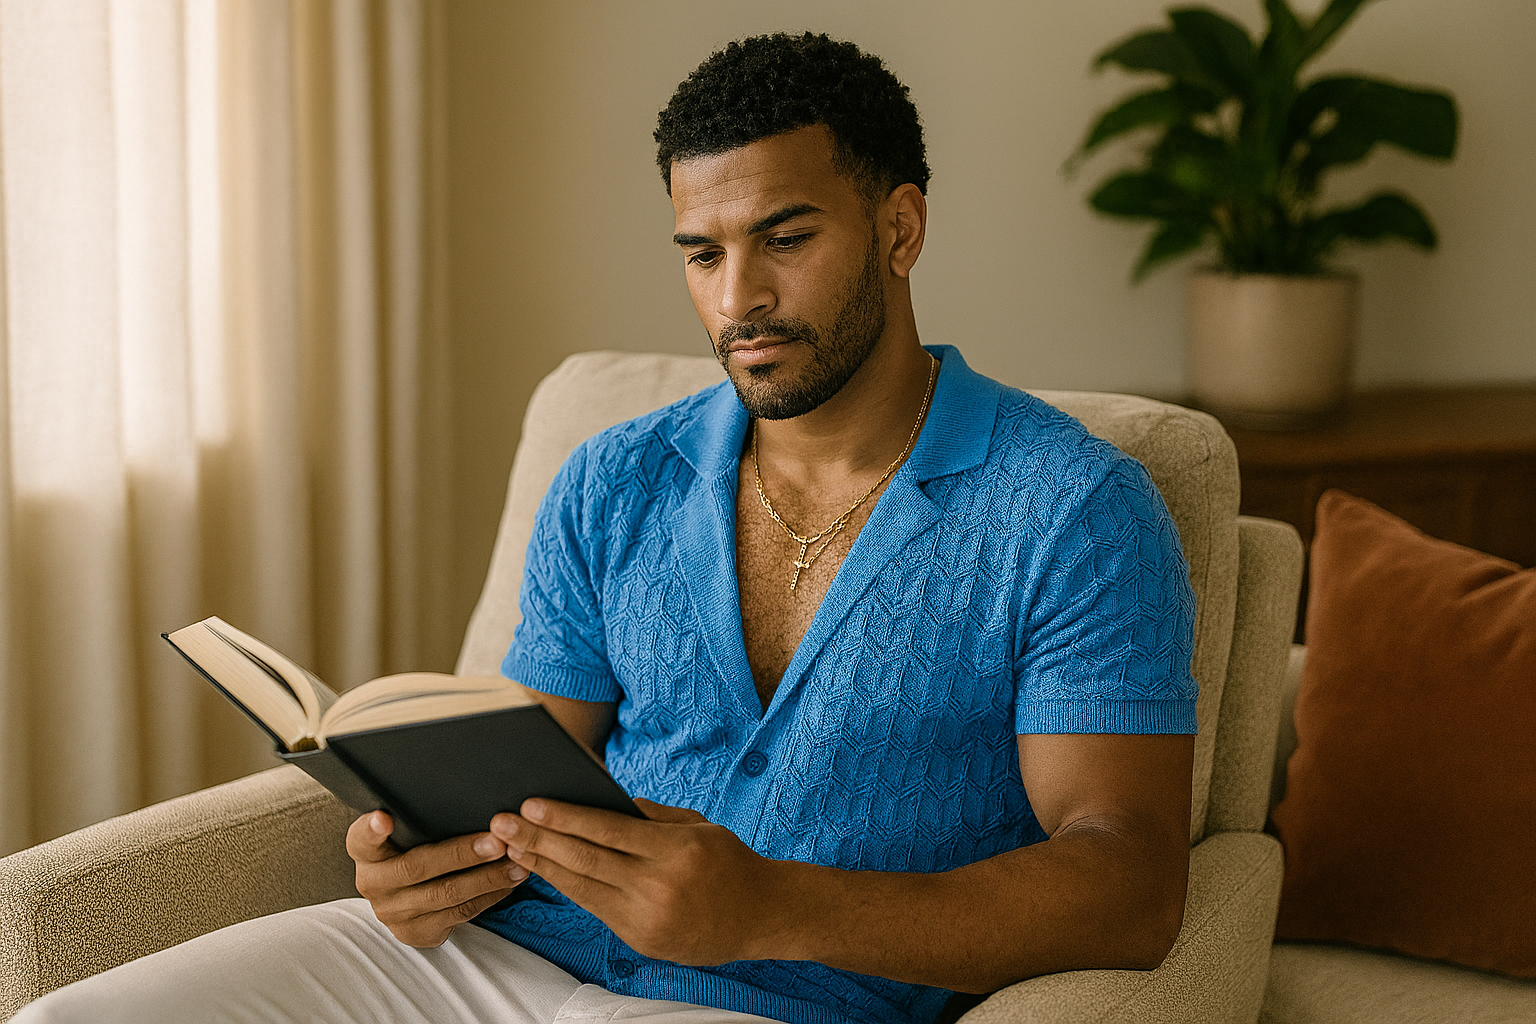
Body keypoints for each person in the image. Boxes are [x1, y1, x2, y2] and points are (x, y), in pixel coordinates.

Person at [16, 31, 1196, 1024]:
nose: (738, 301)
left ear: (899, 228)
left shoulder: (1075, 510)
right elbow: (539, 765)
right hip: (496, 962)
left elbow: (1129, 886)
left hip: (782, 999)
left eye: (786, 239)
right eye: (702, 252)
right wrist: (420, 863)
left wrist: (774, 903)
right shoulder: (613, 479)